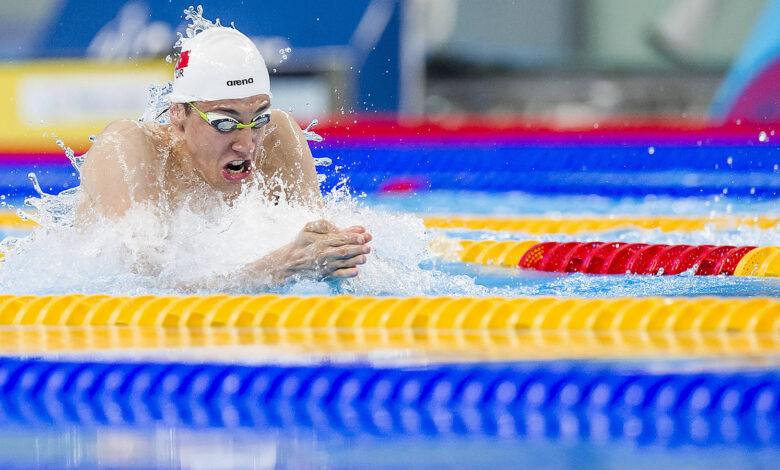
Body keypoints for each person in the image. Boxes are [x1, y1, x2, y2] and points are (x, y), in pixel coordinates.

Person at [75, 26, 371, 285]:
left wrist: (336, 256)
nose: (246, 144)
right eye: (224, 123)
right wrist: (276, 268)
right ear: (178, 114)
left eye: (258, 119)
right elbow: (139, 288)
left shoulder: (278, 136)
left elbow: (312, 246)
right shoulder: (128, 151)